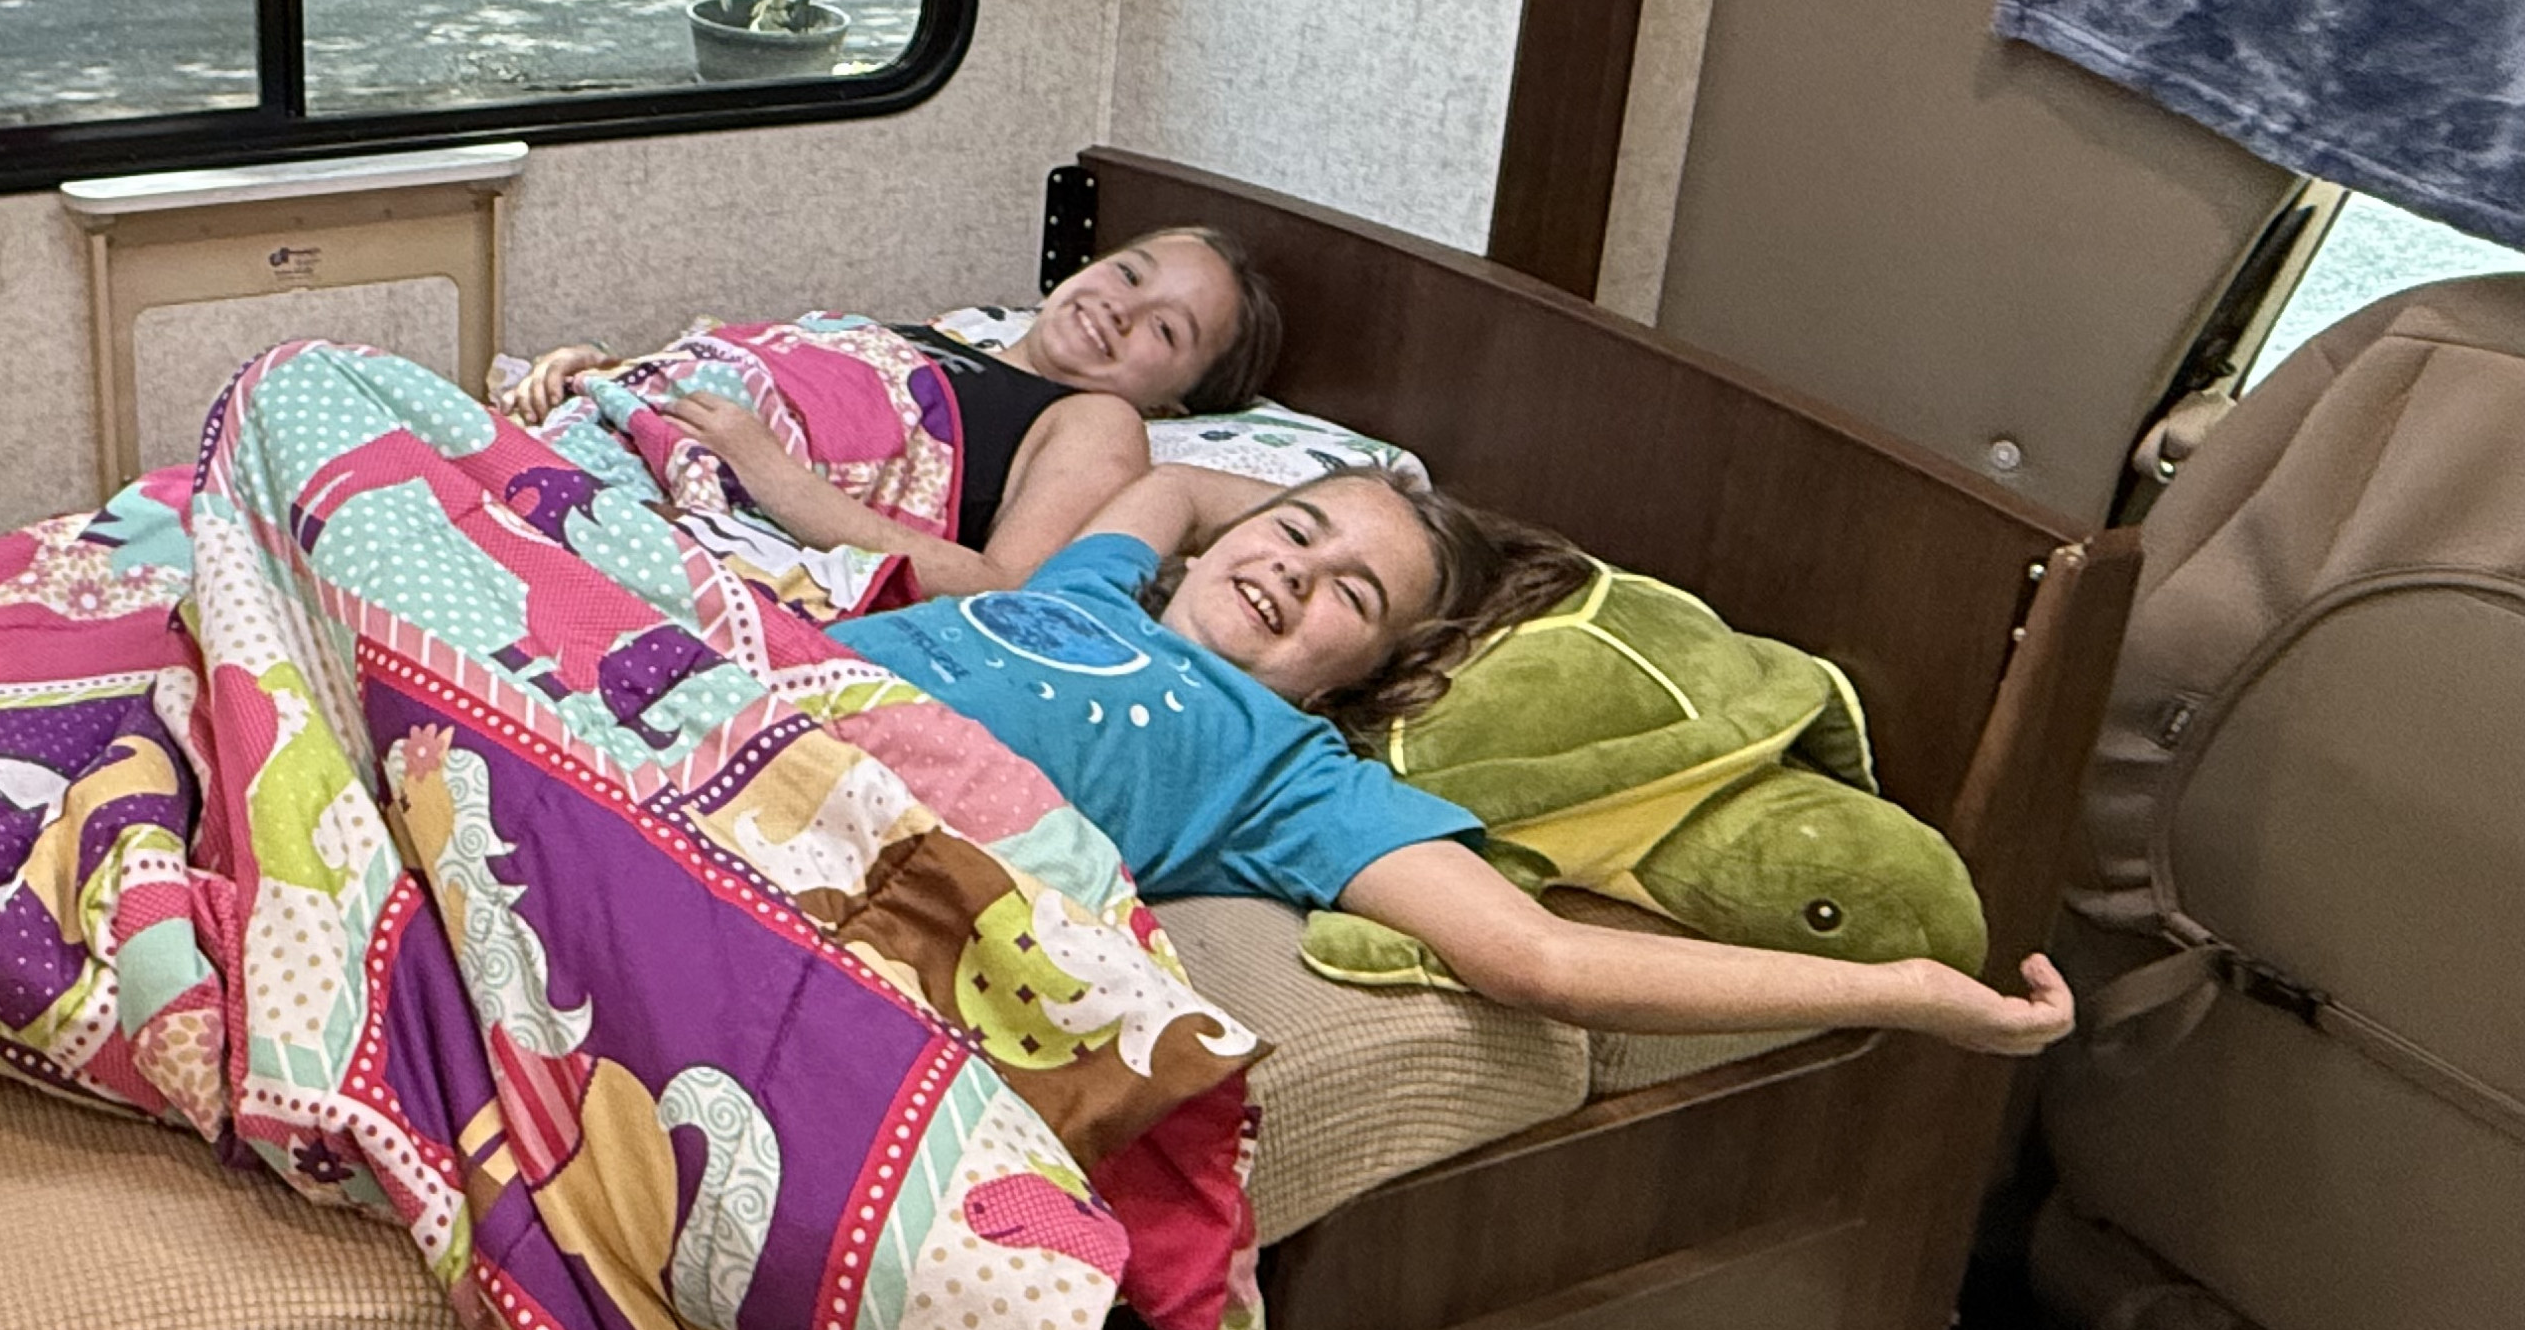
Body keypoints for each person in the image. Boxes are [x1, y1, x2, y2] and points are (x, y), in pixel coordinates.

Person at [831, 464, 2077, 1056]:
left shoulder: (1290, 769)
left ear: (1365, 673)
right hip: (739, 700)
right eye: (1290, 534)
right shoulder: (1096, 583)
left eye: (1348, 592)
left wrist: (1905, 993)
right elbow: (1169, 482)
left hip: (841, 835)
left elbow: (1535, 957)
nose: (1290, 571)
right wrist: (1359, 491)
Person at [500, 228, 1296, 599]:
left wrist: (775, 477)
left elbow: (1003, 588)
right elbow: (771, 378)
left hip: (710, 489)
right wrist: (603, 371)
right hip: (620, 425)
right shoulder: (934, 334)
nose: (1122, 309)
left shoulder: (1093, 420)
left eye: (1165, 328)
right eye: (1129, 273)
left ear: (1177, 400)